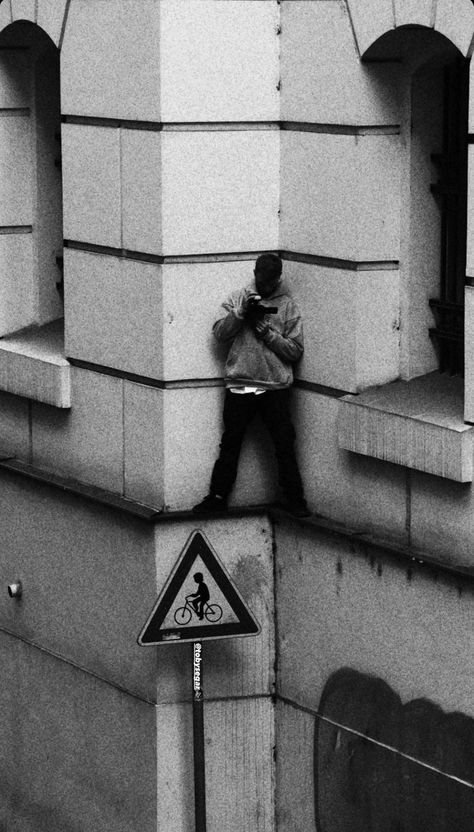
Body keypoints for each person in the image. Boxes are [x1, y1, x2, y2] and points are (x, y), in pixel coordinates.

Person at [193, 253, 310, 517]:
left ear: (278, 279)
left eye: (269, 281)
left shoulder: (287, 306)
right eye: (260, 278)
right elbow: (219, 334)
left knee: (283, 444)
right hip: (241, 384)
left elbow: (295, 351)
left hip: (274, 387)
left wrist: (267, 333)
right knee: (231, 443)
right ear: (254, 272)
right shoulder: (238, 298)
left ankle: (295, 499)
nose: (264, 284)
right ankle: (217, 496)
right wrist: (240, 314)